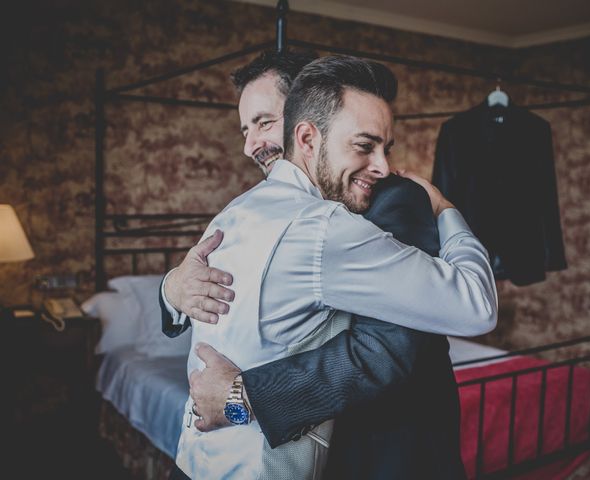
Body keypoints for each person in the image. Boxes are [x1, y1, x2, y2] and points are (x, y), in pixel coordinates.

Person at [165, 54, 497, 479]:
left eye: (385, 148)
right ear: (306, 137)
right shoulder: (325, 228)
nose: (383, 167)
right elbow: (476, 306)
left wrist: (237, 397)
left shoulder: (233, 213)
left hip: (194, 460)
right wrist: (445, 207)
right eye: (364, 146)